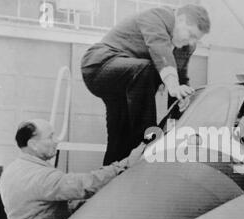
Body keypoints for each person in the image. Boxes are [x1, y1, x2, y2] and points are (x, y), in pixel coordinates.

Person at [0, 119, 145, 219]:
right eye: (51, 137)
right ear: (33, 144)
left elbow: (45, 208)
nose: (57, 141)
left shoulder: (13, 170)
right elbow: (85, 184)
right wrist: (127, 163)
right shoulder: (40, 176)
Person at [81, 4, 211, 165]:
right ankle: (148, 139)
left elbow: (180, 79)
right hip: (98, 65)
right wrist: (174, 85)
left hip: (125, 86)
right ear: (181, 19)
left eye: (195, 39)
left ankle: (112, 176)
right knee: (146, 70)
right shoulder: (158, 16)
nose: (190, 42)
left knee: (121, 139)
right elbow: (160, 51)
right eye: (190, 34)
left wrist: (180, 114)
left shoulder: (186, 46)